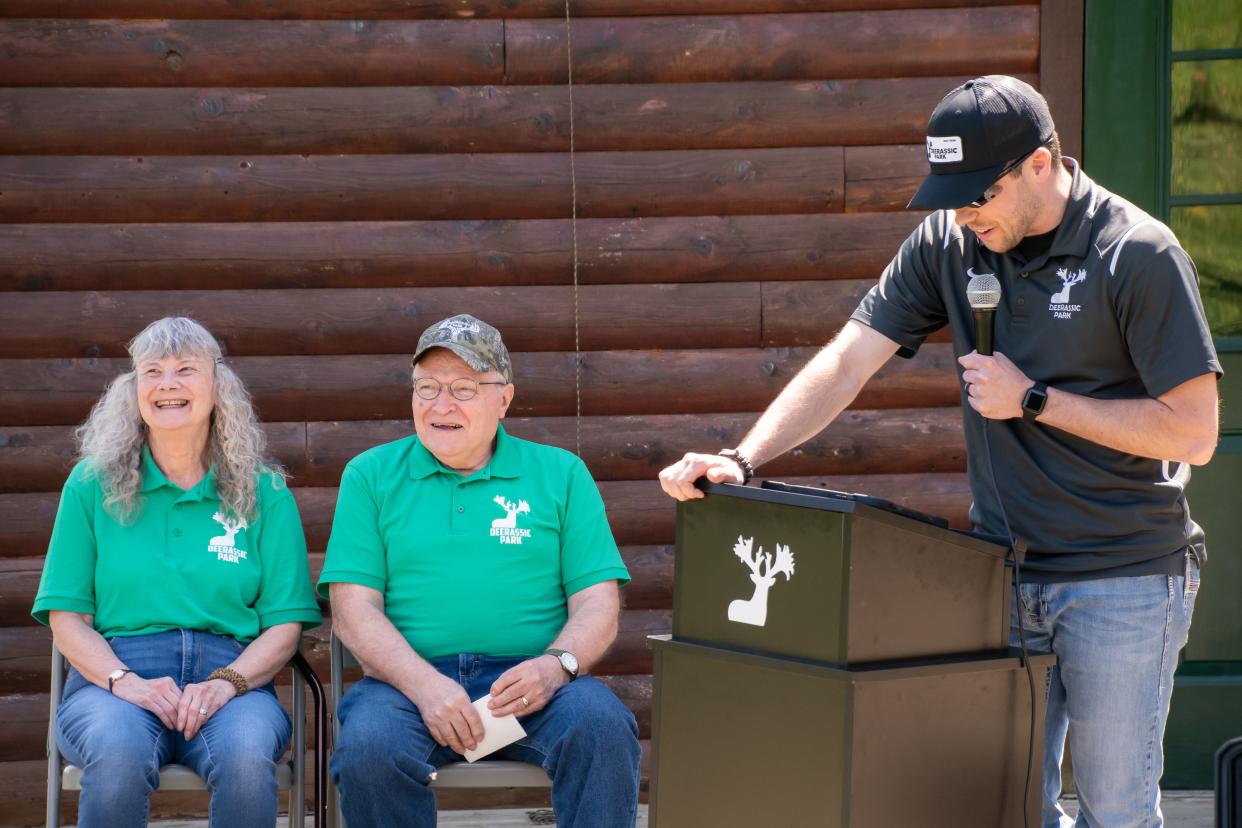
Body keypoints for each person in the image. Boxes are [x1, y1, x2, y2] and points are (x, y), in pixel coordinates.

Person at [659, 75, 1220, 828]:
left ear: (1041, 165)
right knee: (1001, 810)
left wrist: (1034, 400)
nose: (963, 213)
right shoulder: (950, 242)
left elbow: (1193, 431)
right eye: (950, 193)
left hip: (1121, 579)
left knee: (1115, 813)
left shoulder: (1138, 253)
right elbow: (848, 360)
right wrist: (743, 458)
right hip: (1001, 575)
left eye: (978, 193)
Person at [321, 314, 641, 827]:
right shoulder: (370, 474)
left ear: (504, 399)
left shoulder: (560, 473)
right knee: (369, 750)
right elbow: (353, 609)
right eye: (427, 387)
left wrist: (555, 667)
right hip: (405, 684)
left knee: (602, 727)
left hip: (531, 681)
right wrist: (426, 687)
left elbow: (598, 600)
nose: (440, 405)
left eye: (464, 389)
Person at [33, 316, 322, 828]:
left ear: (218, 387)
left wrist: (226, 684)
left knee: (244, 756)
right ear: (134, 390)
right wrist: (127, 683)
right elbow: (67, 618)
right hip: (114, 679)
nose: (168, 384)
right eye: (153, 371)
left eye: (186, 369)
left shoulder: (264, 492)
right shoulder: (91, 484)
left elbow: (285, 625)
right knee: (118, 752)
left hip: (233, 680)